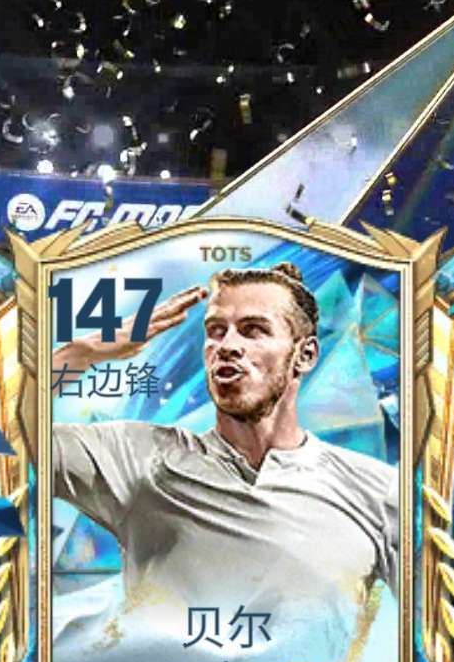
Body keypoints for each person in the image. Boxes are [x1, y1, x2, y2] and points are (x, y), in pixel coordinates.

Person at [47, 263, 397, 632]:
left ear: (305, 355)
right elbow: (7, 439)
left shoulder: (378, 492)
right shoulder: (136, 457)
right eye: (216, 331)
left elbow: (431, 637)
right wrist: (81, 353)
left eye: (253, 330)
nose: (227, 346)